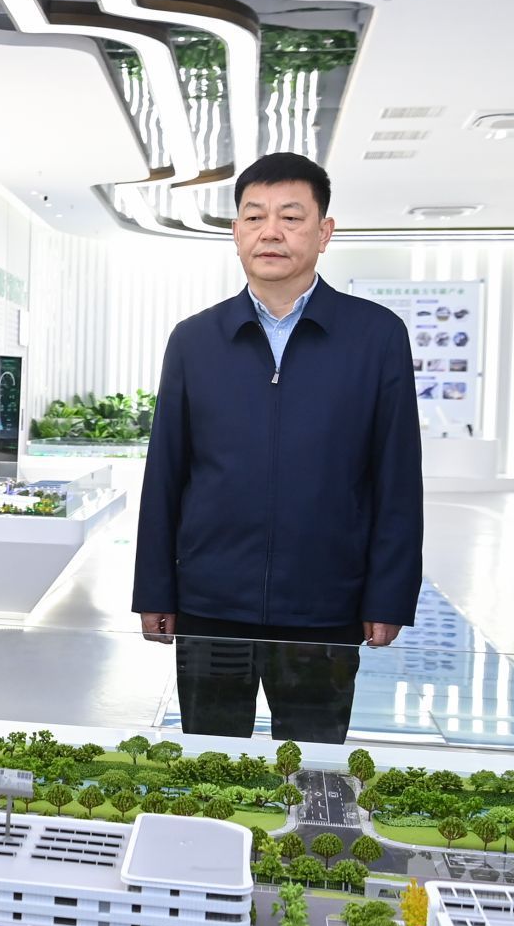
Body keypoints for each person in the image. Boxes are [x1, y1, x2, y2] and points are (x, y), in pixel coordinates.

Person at [133, 152, 422, 743]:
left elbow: (396, 477)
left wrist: (388, 595)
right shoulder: (195, 340)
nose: (271, 232)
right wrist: (155, 587)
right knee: (213, 762)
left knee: (312, 765)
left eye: (291, 217)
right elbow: (165, 472)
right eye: (254, 216)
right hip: (212, 601)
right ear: (235, 232)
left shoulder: (375, 336)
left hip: (325, 603)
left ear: (324, 232)